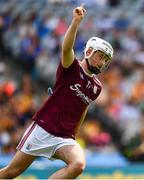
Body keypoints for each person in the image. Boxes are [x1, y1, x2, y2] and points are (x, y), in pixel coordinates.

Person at [0, 4, 113, 179]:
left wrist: (74, 133)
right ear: (89, 51)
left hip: (64, 137)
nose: (102, 62)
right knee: (11, 172)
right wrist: (76, 22)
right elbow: (67, 48)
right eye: (101, 56)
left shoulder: (97, 87)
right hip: (43, 128)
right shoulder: (71, 67)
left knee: (78, 165)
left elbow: (83, 109)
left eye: (106, 60)